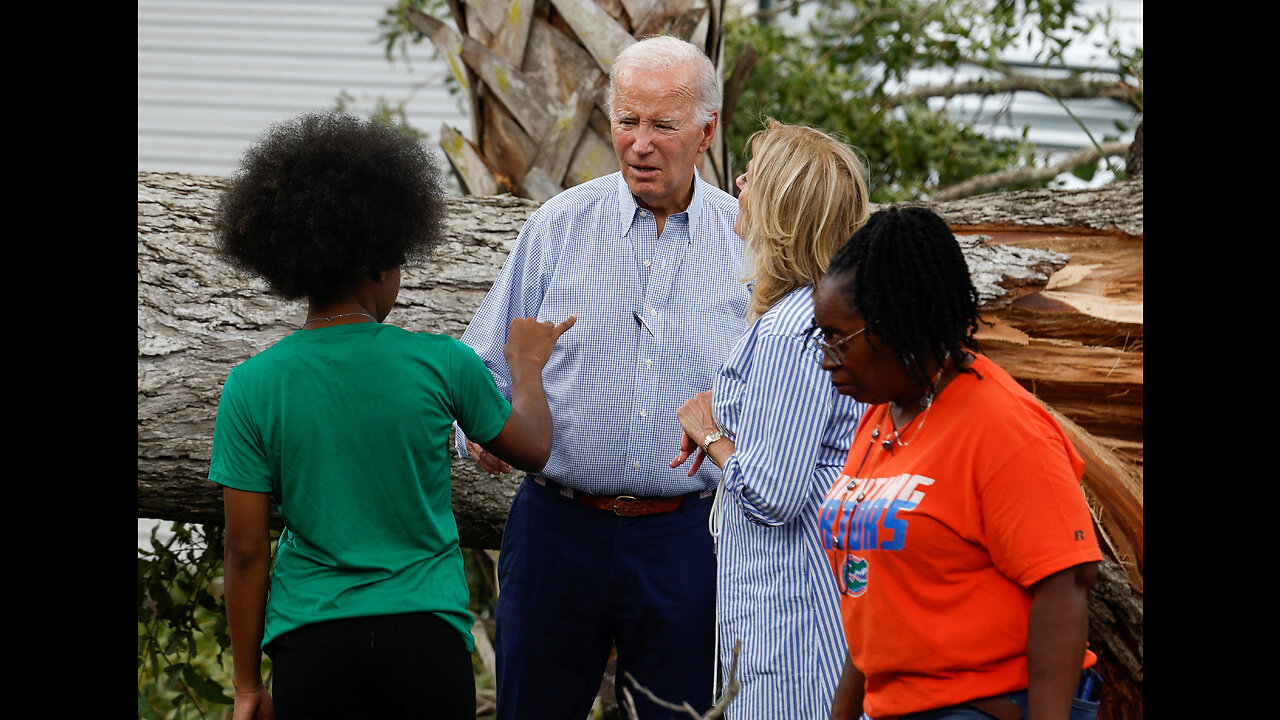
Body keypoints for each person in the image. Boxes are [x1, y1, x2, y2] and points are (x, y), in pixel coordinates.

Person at [208, 113, 576, 720]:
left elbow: (245, 550)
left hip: (313, 640)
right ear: (379, 265)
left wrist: (249, 687)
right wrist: (525, 363)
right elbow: (533, 448)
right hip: (425, 638)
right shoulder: (440, 363)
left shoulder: (252, 386)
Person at [454, 35, 750, 719]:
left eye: (661, 125)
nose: (639, 143)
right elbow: (479, 369)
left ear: (705, 132)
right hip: (557, 530)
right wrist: (477, 431)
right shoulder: (558, 227)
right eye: (626, 121)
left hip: (689, 538)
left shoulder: (747, 238)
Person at [812, 206, 1104, 720]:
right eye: (821, 336)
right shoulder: (882, 417)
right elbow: (878, 603)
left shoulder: (1005, 428)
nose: (825, 356)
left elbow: (1063, 589)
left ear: (899, 324)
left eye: (839, 337)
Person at [669, 120, 870, 718]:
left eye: (753, 177)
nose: (738, 184)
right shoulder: (806, 315)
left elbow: (775, 492)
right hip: (797, 593)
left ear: (782, 206)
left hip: (790, 606)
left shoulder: (791, 329)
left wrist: (712, 434)